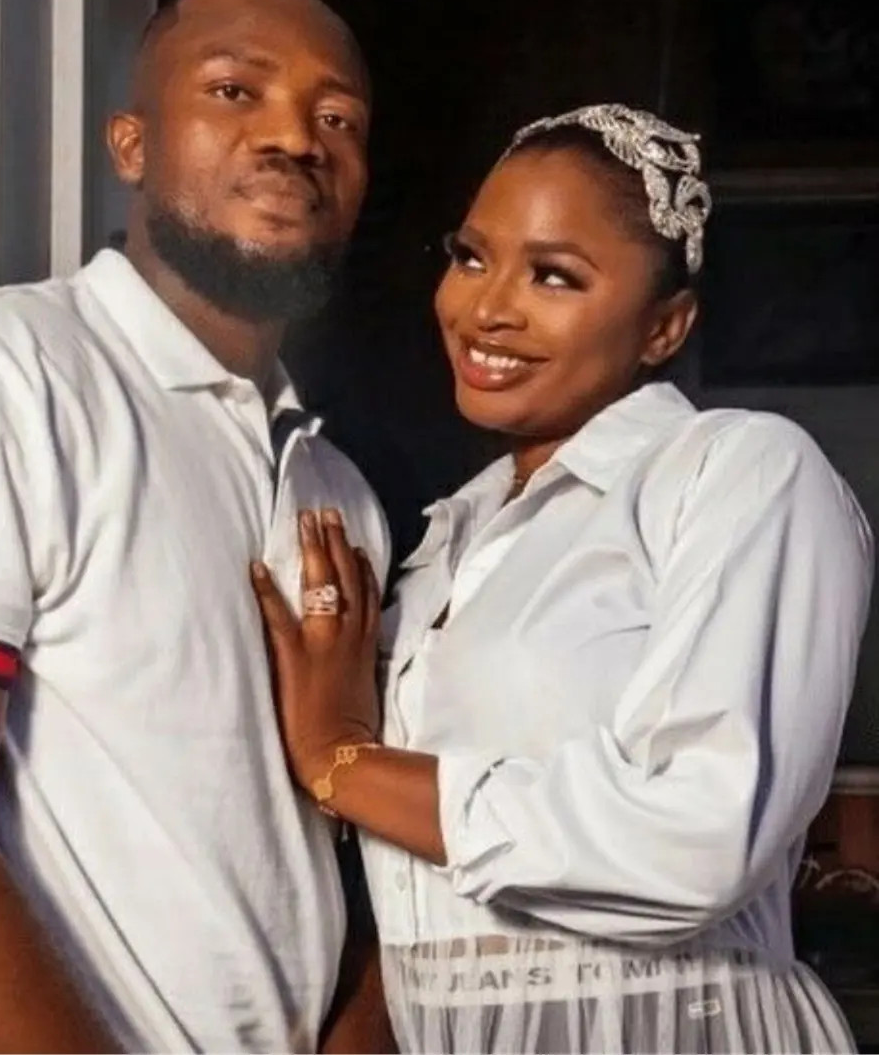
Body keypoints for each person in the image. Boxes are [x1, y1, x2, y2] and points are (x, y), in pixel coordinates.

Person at [0, 0, 392, 1051]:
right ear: (131, 144)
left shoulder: (336, 490)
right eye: (236, 90)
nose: (295, 138)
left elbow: (335, 873)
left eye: (337, 117)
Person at [251, 103, 874, 1053]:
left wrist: (343, 760)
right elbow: (437, 898)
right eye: (470, 257)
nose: (486, 308)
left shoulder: (736, 471)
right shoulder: (447, 540)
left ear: (663, 327)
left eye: (553, 275)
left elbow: (697, 841)